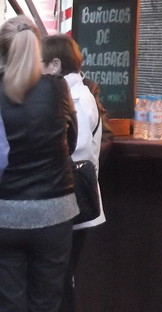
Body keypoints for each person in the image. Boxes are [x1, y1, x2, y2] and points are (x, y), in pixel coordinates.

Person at [0, 16, 78, 312]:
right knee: (47, 302)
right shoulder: (58, 88)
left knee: (9, 303)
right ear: (37, 49)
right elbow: (70, 142)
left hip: (5, 213)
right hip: (54, 212)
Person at [41, 35, 106, 312]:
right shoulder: (76, 93)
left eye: (39, 63)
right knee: (60, 278)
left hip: (70, 199)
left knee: (60, 280)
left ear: (55, 65)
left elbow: (73, 146)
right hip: (68, 199)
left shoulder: (75, 97)